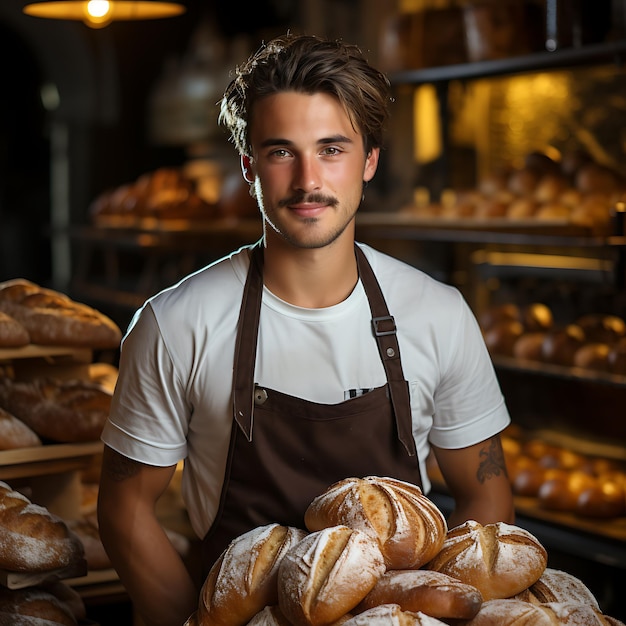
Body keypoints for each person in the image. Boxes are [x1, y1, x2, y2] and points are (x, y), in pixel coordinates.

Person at [97, 33, 515, 626]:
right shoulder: (175, 323)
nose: (307, 180)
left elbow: (486, 499)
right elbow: (124, 508)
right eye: (281, 151)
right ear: (249, 166)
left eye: (332, 149)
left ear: (369, 160)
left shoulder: (438, 314)